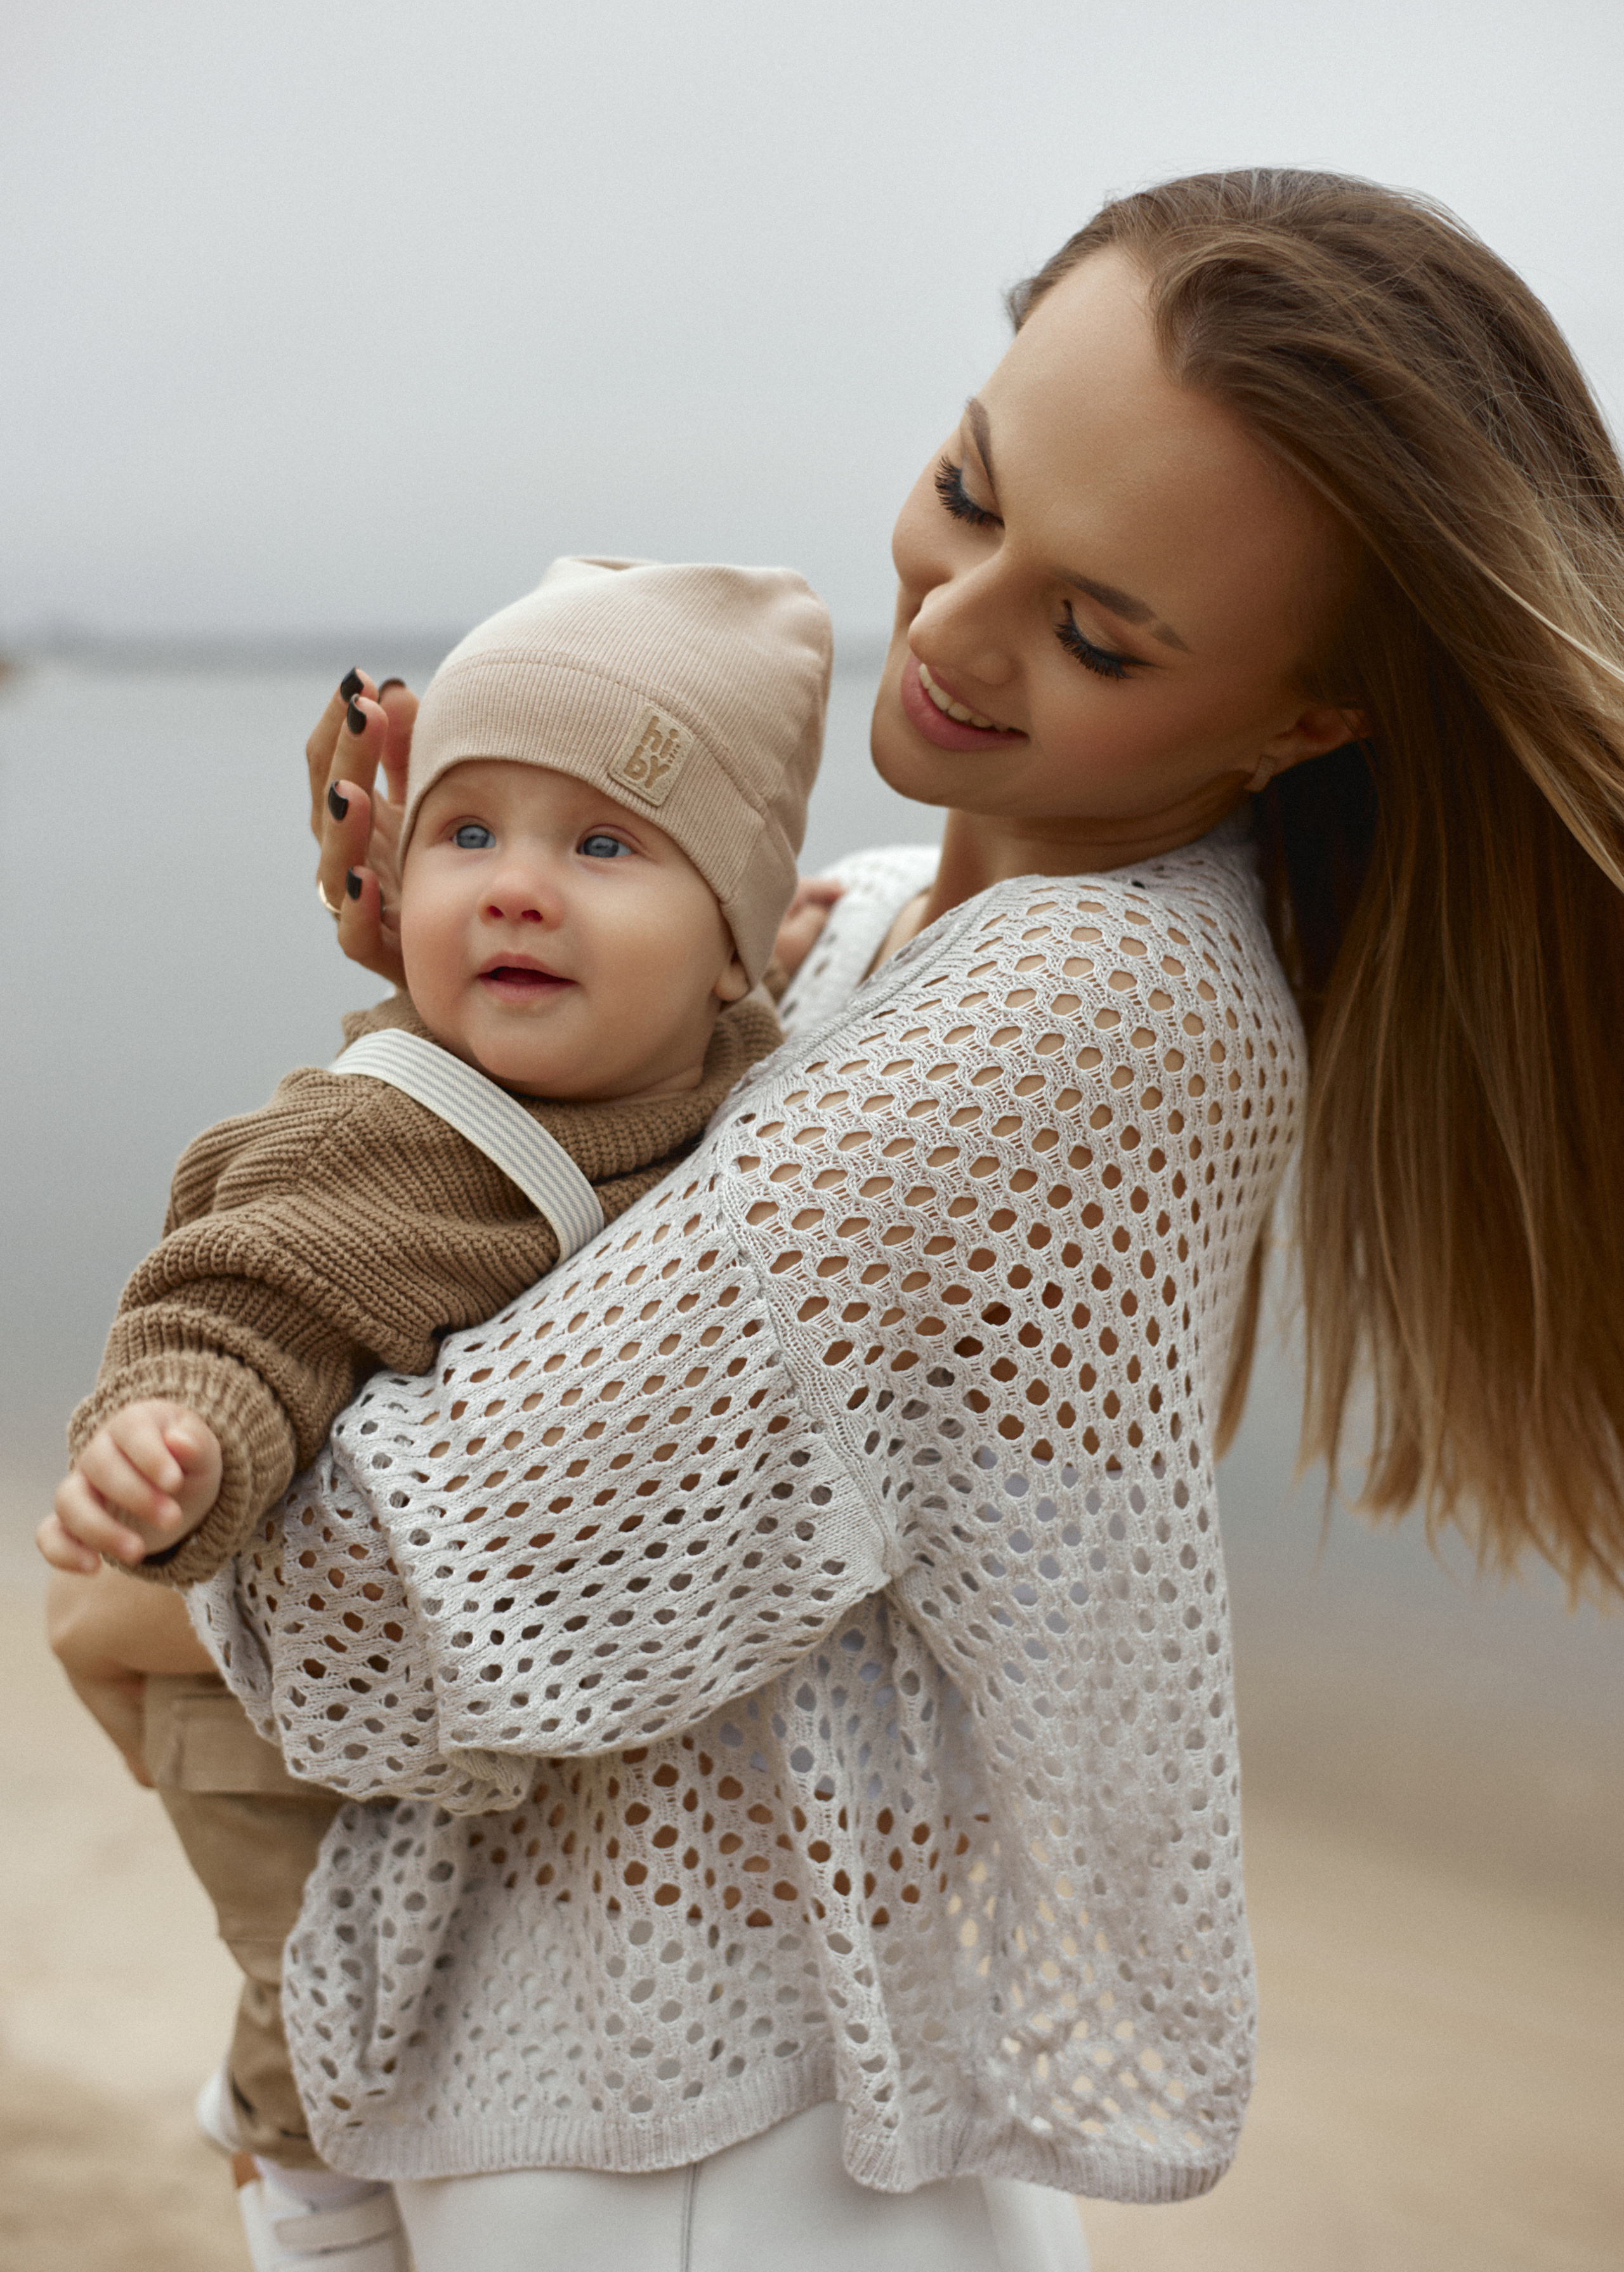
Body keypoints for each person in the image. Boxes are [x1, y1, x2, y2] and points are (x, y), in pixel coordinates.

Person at [88, 166, 1624, 2270]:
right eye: (970, 492)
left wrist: (213, 1455)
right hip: (643, 2077)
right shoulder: (896, 916)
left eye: (1097, 633)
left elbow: (392, 1606)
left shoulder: (1078, 1007)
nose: (955, 630)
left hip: (701, 2162)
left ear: (1313, 715)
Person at [39, 555, 831, 2270]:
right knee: (333, 1994)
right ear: (396, 891)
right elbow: (233, 1306)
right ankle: (294, 2188)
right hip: (265, 1719)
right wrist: (173, 1447)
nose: (520, 894)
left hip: (450, 1683)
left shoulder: (727, 1069)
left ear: (732, 951)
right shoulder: (393, 1137)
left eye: (603, 845)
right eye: (468, 838)